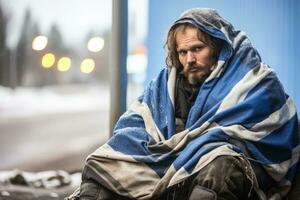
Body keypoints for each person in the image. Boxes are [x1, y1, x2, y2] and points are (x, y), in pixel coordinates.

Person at [67, 8, 299, 200]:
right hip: (170, 165)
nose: (189, 59)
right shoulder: (163, 86)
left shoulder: (256, 82)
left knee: (218, 165)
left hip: (229, 171)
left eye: (198, 49)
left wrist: (206, 148)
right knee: (105, 163)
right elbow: (136, 124)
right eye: (182, 52)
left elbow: (273, 139)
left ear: (219, 47)